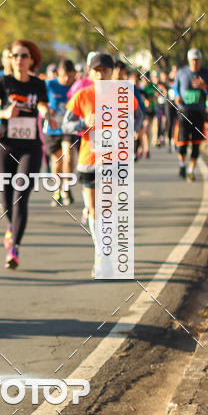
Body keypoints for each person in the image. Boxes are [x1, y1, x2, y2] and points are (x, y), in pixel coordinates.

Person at [0, 39, 56, 269]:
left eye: (24, 56)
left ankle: (14, 248)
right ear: (10, 59)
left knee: (21, 195)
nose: (19, 60)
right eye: (15, 56)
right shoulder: (2, 82)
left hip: (31, 147)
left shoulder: (38, 84)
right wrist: (3, 113)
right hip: (6, 146)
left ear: (32, 60)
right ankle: (12, 227)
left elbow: (42, 105)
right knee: (7, 198)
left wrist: (46, 113)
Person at [63, 53, 139, 273]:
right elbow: (65, 125)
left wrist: (129, 130)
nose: (101, 74)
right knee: (94, 210)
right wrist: (83, 122)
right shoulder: (82, 96)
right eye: (97, 71)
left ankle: (103, 255)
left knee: (107, 209)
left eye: (105, 70)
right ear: (90, 72)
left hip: (115, 161)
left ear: (112, 71)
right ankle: (102, 254)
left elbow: (138, 116)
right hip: (89, 160)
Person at [173, 48, 208, 181]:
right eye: (193, 60)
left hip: (199, 113)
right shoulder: (181, 72)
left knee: (196, 145)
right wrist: (177, 96)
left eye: (197, 60)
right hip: (184, 112)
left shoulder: (207, 74)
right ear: (189, 60)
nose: (195, 63)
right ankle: (182, 164)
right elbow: (175, 88)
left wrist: (205, 87)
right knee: (182, 144)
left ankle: (191, 170)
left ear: (201, 60)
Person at [43, 59, 78, 206]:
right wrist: (47, 111)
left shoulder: (76, 86)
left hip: (69, 127)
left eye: (70, 76)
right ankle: (56, 190)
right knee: (57, 162)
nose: (67, 79)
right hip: (52, 128)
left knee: (68, 156)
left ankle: (66, 188)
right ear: (58, 73)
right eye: (64, 75)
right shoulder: (49, 85)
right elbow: (40, 102)